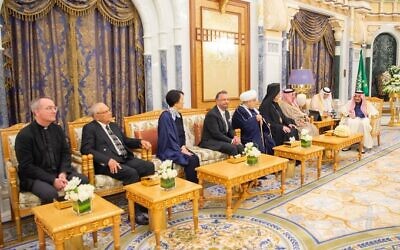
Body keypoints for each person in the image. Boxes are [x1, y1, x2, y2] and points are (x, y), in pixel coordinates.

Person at [81, 102, 154, 225]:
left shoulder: (113, 125)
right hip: (107, 164)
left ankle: (144, 204)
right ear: (97, 116)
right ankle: (135, 213)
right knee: (131, 174)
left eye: (109, 110)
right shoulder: (90, 128)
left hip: (125, 159)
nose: (110, 113)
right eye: (106, 111)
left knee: (148, 166)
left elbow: (125, 141)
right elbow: (86, 149)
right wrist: (107, 160)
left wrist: (140, 142)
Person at [15, 97, 89, 204]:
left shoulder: (57, 129)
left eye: (54, 108)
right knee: (50, 194)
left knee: (84, 181)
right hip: (36, 177)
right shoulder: (25, 135)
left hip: (59, 172)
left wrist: (63, 173)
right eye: (49, 108)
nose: (54, 111)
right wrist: (52, 180)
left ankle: (75, 214)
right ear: (36, 112)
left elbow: (65, 153)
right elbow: (27, 166)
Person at [157, 90, 200, 183]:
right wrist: (180, 150)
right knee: (191, 160)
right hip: (168, 149)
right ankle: (190, 189)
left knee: (195, 157)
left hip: (178, 148)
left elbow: (182, 134)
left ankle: (194, 189)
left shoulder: (178, 115)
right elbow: (168, 138)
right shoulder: (165, 116)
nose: (183, 102)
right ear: (176, 102)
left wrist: (183, 146)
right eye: (182, 100)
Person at [199, 90, 244, 156]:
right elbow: (216, 134)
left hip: (221, 140)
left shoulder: (226, 113)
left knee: (240, 146)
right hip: (211, 141)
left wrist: (235, 137)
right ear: (217, 101)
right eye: (223, 100)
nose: (226, 101)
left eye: (227, 99)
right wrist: (231, 141)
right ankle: (232, 166)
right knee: (232, 148)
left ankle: (242, 165)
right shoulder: (212, 114)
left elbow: (230, 129)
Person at [232, 89, 275, 154]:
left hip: (258, 134)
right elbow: (245, 125)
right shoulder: (239, 111)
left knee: (270, 142)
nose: (256, 102)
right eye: (254, 100)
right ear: (248, 102)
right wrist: (255, 119)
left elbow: (262, 122)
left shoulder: (253, 110)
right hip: (248, 137)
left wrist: (261, 120)